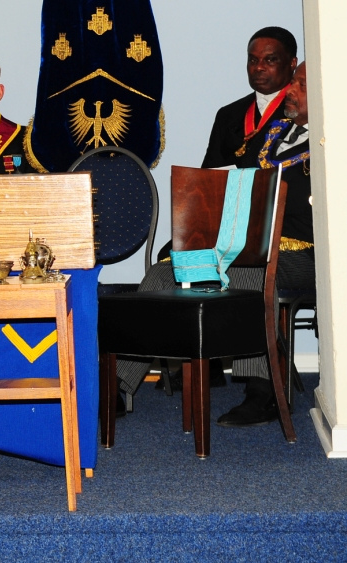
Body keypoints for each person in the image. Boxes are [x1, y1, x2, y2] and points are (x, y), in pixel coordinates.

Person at [116, 62, 315, 426]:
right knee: (166, 271)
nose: (290, 90)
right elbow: (231, 181)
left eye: (301, 85)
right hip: (243, 242)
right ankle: (119, 385)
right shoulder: (272, 134)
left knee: (248, 269)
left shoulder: (332, 145)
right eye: (294, 83)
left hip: (302, 251)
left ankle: (263, 392)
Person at [201, 27, 297, 168]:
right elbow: (208, 175)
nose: (258, 67)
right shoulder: (228, 115)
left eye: (270, 60)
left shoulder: (303, 109)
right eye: (253, 60)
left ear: (292, 63)